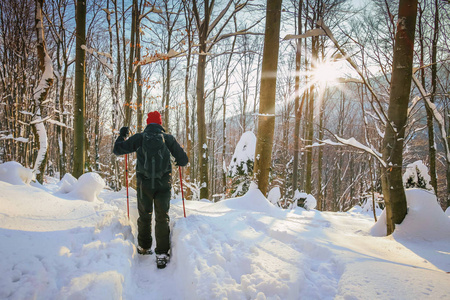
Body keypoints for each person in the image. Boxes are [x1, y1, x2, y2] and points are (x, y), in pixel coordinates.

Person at [113, 111, 188, 269]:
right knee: (162, 217)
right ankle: (161, 254)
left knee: (144, 215)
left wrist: (122, 135)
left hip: (144, 184)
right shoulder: (167, 139)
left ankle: (144, 247)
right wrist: (176, 160)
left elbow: (118, 150)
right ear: (160, 124)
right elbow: (184, 160)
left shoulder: (139, 138)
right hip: (163, 184)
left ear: (148, 123)